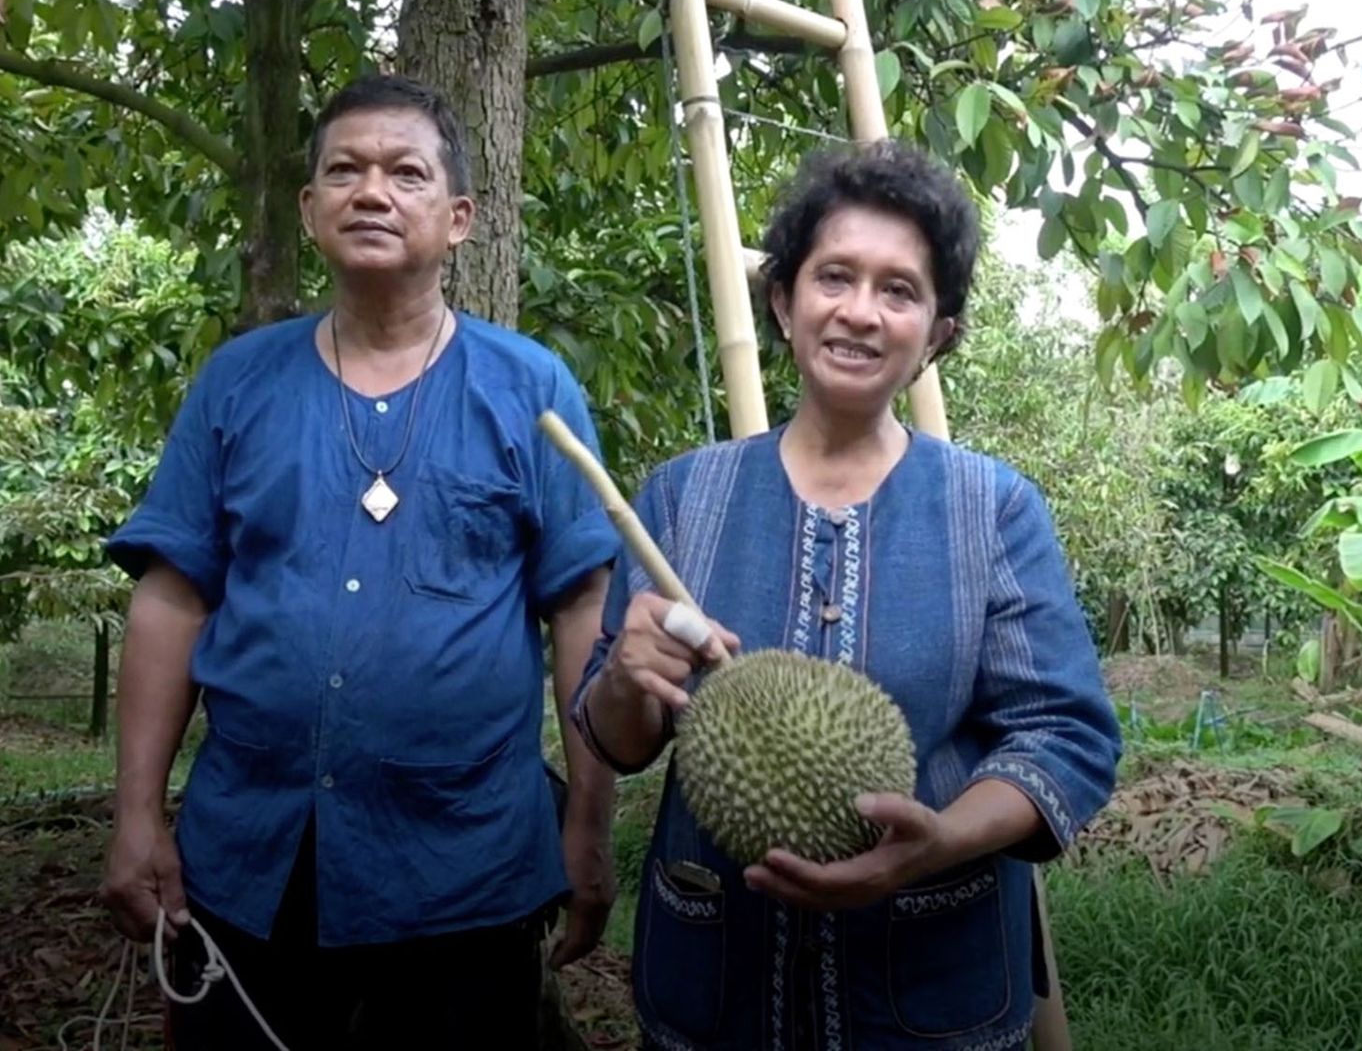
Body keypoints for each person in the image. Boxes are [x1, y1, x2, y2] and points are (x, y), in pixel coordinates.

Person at [98, 74, 620, 1049]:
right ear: (309, 208)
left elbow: (584, 610)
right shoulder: (238, 383)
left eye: (405, 173)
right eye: (343, 170)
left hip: (467, 864)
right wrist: (136, 815)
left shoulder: (530, 388)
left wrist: (589, 825)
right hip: (251, 860)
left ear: (459, 217)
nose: (371, 191)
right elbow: (171, 600)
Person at [572, 141, 1123, 1051]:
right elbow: (622, 739)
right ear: (785, 302)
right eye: (835, 277)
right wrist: (630, 676)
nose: (861, 313)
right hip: (720, 987)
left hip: (927, 988)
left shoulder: (994, 509)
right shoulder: (680, 498)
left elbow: (1067, 737)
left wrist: (942, 839)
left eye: (900, 290)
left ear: (938, 333)